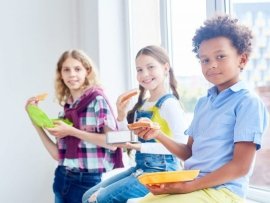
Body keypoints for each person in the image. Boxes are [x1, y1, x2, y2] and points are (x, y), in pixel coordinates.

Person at [134, 15, 269, 203]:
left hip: (223, 192)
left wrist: (188, 186)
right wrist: (158, 134)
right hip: (193, 184)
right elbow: (189, 152)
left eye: (220, 56)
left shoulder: (248, 102)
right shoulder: (203, 103)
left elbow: (240, 167)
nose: (212, 64)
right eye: (204, 60)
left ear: (242, 59)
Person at [82, 45, 187, 203]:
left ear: (165, 68)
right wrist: (121, 115)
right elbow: (126, 139)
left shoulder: (169, 104)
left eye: (150, 67)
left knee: (99, 199)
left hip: (162, 172)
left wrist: (140, 147)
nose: (144, 74)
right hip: (142, 168)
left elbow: (182, 146)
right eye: (139, 70)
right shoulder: (143, 104)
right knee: (87, 197)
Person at [25, 49, 123, 203]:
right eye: (66, 70)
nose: (72, 74)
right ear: (60, 74)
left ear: (87, 71)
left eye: (77, 69)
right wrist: (35, 121)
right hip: (62, 178)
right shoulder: (69, 107)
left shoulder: (97, 100)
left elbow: (114, 143)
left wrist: (72, 131)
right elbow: (58, 156)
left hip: (89, 182)